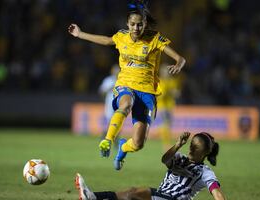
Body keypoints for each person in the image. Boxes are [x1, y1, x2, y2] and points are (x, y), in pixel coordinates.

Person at [68, 0, 186, 170]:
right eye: (132, 24)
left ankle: (122, 147)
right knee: (125, 104)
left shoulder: (155, 38)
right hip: (125, 84)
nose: (136, 28)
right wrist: (80, 34)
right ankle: (108, 140)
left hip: (147, 92)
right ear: (127, 24)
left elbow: (180, 58)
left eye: (139, 25)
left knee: (138, 144)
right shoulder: (122, 36)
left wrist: (178, 65)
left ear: (145, 24)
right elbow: (106, 40)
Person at [75, 132, 228, 200]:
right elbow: (165, 159)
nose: (192, 149)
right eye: (192, 145)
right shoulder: (180, 158)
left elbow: (216, 192)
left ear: (205, 153)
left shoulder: (205, 172)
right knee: (133, 193)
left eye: (196, 148)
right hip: (161, 196)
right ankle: (94, 198)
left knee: (135, 193)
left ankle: (93, 198)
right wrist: (177, 145)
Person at [157, 64, 181, 151]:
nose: (166, 73)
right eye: (164, 72)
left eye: (167, 72)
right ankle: (166, 144)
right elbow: (159, 95)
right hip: (162, 105)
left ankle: (165, 139)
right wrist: (167, 92)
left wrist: (174, 93)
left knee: (168, 125)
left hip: (170, 105)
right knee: (166, 124)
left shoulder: (172, 81)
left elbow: (176, 93)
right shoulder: (159, 81)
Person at [98, 64, 120, 142]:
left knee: (118, 122)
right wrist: (109, 88)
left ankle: (115, 139)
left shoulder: (122, 80)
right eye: (115, 70)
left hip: (119, 105)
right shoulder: (108, 80)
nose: (116, 71)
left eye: (118, 70)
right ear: (112, 71)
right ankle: (104, 136)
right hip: (110, 104)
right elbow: (101, 91)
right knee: (110, 122)